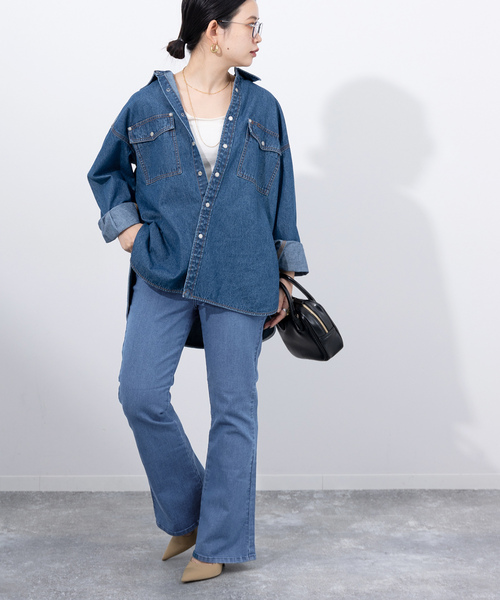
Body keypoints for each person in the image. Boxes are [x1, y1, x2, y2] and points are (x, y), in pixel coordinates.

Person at [88, 0, 308, 584]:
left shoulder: (264, 107)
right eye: (251, 26)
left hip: (242, 271)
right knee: (139, 393)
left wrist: (285, 275)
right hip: (164, 269)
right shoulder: (146, 104)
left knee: (234, 409)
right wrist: (129, 231)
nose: (258, 37)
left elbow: (281, 197)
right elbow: (106, 171)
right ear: (214, 31)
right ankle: (190, 516)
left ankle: (220, 542)